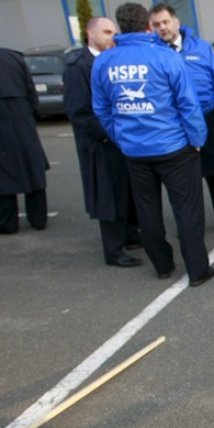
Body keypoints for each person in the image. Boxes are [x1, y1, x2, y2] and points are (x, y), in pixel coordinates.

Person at [92, 2, 213, 285]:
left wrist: (122, 138)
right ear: (147, 25)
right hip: (174, 147)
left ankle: (162, 265)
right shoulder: (165, 56)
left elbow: (102, 109)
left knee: (148, 212)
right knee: (187, 210)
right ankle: (197, 270)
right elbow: (188, 103)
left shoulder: (104, 61)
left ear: (120, 26)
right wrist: (197, 140)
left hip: (135, 151)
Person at [150, 3, 214, 233]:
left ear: (176, 22)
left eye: (165, 22)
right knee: (182, 180)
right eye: (157, 24)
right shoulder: (155, 53)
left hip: (205, 117)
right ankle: (188, 224)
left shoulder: (200, 47)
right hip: (174, 124)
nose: (162, 28)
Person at [64, 17, 142, 267]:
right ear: (90, 33)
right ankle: (113, 250)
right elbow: (80, 113)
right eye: (107, 32)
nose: (113, 36)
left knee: (127, 191)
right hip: (100, 145)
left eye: (114, 32)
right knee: (110, 197)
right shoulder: (79, 67)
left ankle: (130, 234)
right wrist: (110, 133)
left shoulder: (111, 61)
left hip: (119, 141)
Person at [0, 48, 48, 234]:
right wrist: (32, 115)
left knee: (4, 174)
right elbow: (30, 89)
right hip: (22, 117)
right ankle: (38, 218)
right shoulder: (14, 57)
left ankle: (8, 223)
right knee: (32, 168)